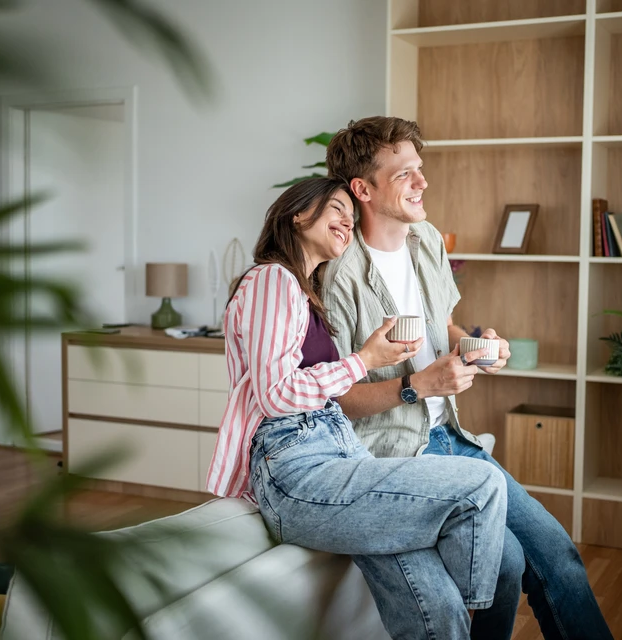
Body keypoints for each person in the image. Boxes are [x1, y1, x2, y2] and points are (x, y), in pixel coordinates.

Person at [321, 116, 615, 640]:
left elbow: (446, 327)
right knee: (511, 563)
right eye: (404, 173)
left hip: (453, 440)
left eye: (421, 169)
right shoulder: (338, 276)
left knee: (559, 558)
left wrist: (475, 346)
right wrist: (418, 386)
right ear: (362, 189)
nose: (422, 181)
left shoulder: (427, 241)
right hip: (393, 458)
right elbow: (336, 399)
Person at [205, 176, 511, 640]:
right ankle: (477, 607)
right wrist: (365, 360)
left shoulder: (305, 293)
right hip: (297, 467)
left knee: (435, 605)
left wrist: (369, 356)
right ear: (298, 215)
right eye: (335, 210)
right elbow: (276, 395)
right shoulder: (271, 278)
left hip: (339, 455)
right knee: (483, 483)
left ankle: (463, 610)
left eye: (351, 215)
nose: (347, 221)